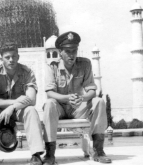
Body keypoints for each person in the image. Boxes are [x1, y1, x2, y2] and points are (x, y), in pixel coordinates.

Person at [43, 31, 112, 164]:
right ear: (60, 52)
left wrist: (83, 98)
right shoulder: (52, 67)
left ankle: (98, 150)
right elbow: (50, 92)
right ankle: (50, 154)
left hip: (78, 108)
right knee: (49, 104)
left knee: (98, 101)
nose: (71, 54)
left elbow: (92, 89)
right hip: (60, 109)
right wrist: (67, 98)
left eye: (74, 50)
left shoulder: (84, 64)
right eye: (67, 51)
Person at [0, 42, 45, 165]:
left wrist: (12, 107)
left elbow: (32, 100)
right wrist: (14, 102)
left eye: (14, 56)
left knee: (31, 111)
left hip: (19, 110)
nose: (11, 60)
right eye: (7, 57)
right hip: (0, 111)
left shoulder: (27, 72)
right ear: (1, 59)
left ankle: (36, 155)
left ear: (18, 57)